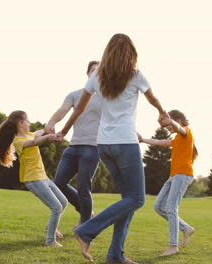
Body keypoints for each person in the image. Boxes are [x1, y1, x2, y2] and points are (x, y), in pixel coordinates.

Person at [57, 33, 168, 263]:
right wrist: (162, 113)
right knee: (137, 199)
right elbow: (153, 98)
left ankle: (115, 255)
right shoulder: (135, 75)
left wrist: (65, 130)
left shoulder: (97, 76)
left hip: (103, 145)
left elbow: (79, 109)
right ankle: (86, 231)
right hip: (125, 143)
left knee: (127, 200)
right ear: (131, 54)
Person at [0, 110, 68, 247]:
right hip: (33, 180)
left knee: (63, 202)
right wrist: (48, 137)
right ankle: (50, 241)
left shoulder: (28, 135)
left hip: (43, 178)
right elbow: (35, 142)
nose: (30, 123)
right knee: (56, 207)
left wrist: (47, 129)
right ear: (20, 124)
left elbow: (38, 133)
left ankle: (51, 226)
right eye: (27, 121)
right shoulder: (19, 141)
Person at [45, 60, 101, 228]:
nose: (96, 73)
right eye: (93, 70)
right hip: (73, 146)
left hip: (92, 147)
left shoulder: (107, 97)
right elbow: (63, 109)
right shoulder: (75, 95)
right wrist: (51, 122)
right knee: (59, 183)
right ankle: (86, 212)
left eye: (100, 71)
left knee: (84, 186)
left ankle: (85, 223)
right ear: (88, 74)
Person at [138, 109, 198, 256]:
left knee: (171, 207)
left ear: (178, 120)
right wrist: (143, 139)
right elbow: (159, 142)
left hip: (183, 174)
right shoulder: (177, 139)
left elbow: (179, 128)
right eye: (166, 127)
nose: (167, 128)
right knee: (158, 206)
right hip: (174, 176)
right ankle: (186, 228)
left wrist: (169, 120)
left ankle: (173, 246)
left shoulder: (186, 132)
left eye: (169, 125)